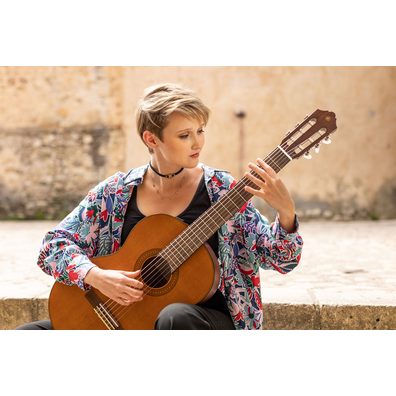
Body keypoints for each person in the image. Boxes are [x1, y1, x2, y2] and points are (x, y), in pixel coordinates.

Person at [15, 83, 303, 330]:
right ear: (151, 139)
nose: (197, 143)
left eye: (200, 131)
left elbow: (280, 259)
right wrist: (98, 277)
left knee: (175, 317)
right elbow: (52, 247)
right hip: (126, 318)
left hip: (202, 321)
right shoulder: (116, 192)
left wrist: (286, 214)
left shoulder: (222, 190)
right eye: (184, 135)